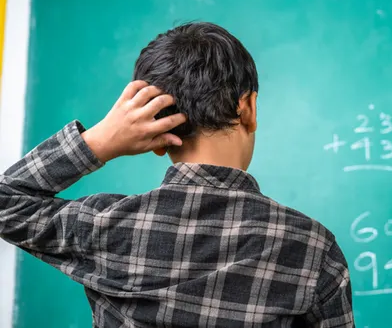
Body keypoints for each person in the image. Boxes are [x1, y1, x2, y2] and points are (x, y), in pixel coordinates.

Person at [0, 22, 354, 327]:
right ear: (248, 107)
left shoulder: (107, 227)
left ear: (152, 136)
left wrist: (101, 140)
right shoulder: (310, 248)